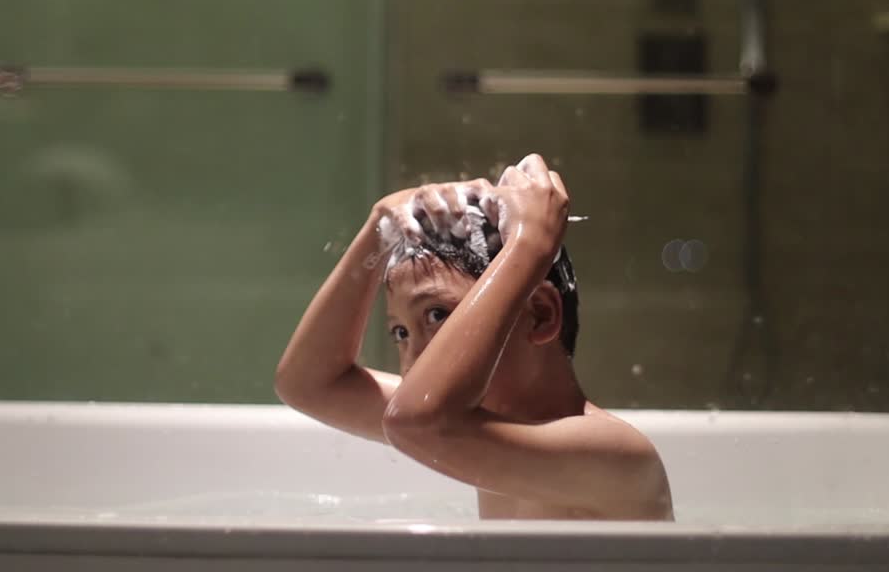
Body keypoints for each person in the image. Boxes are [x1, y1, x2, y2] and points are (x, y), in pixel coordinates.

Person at [275, 153, 673, 520]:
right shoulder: (472, 429)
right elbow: (310, 384)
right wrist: (378, 230)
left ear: (540, 314)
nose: (414, 361)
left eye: (438, 315)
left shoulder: (614, 455)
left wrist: (530, 243)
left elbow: (417, 423)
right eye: (400, 332)